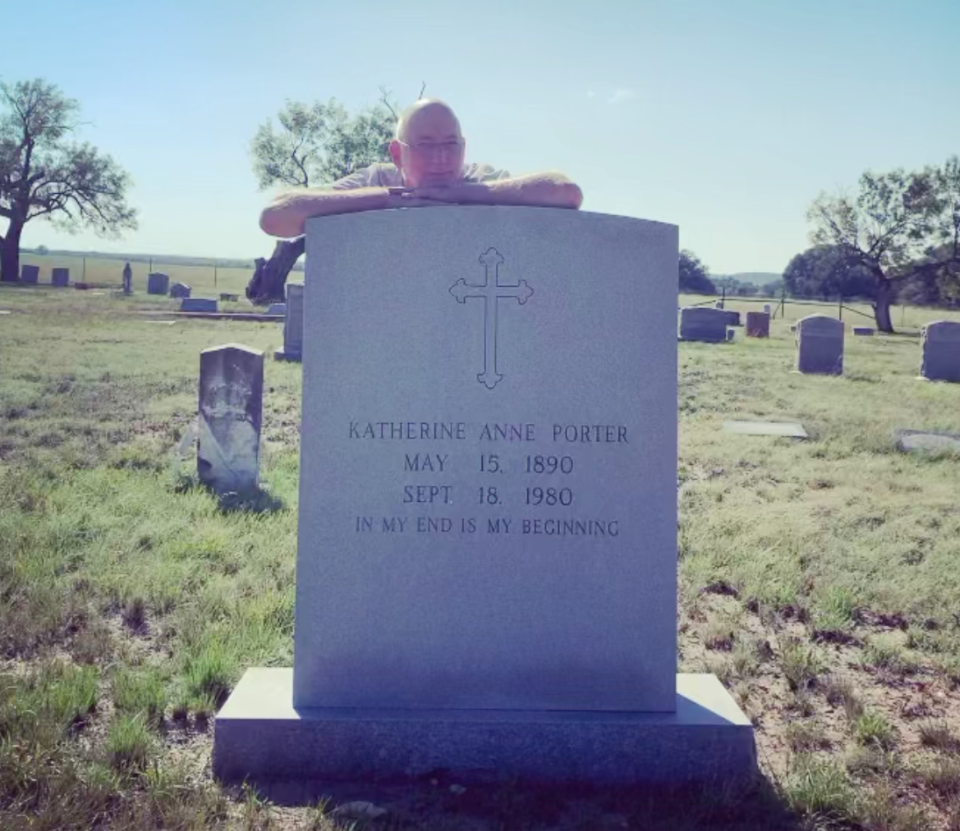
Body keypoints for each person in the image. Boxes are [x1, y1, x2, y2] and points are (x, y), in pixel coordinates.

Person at [259, 99, 582, 239]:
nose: (441, 158)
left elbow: (565, 192)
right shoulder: (375, 181)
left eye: (451, 144)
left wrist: (463, 194)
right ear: (397, 153)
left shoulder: (481, 180)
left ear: (463, 147)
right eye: (426, 144)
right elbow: (275, 218)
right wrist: (390, 199)